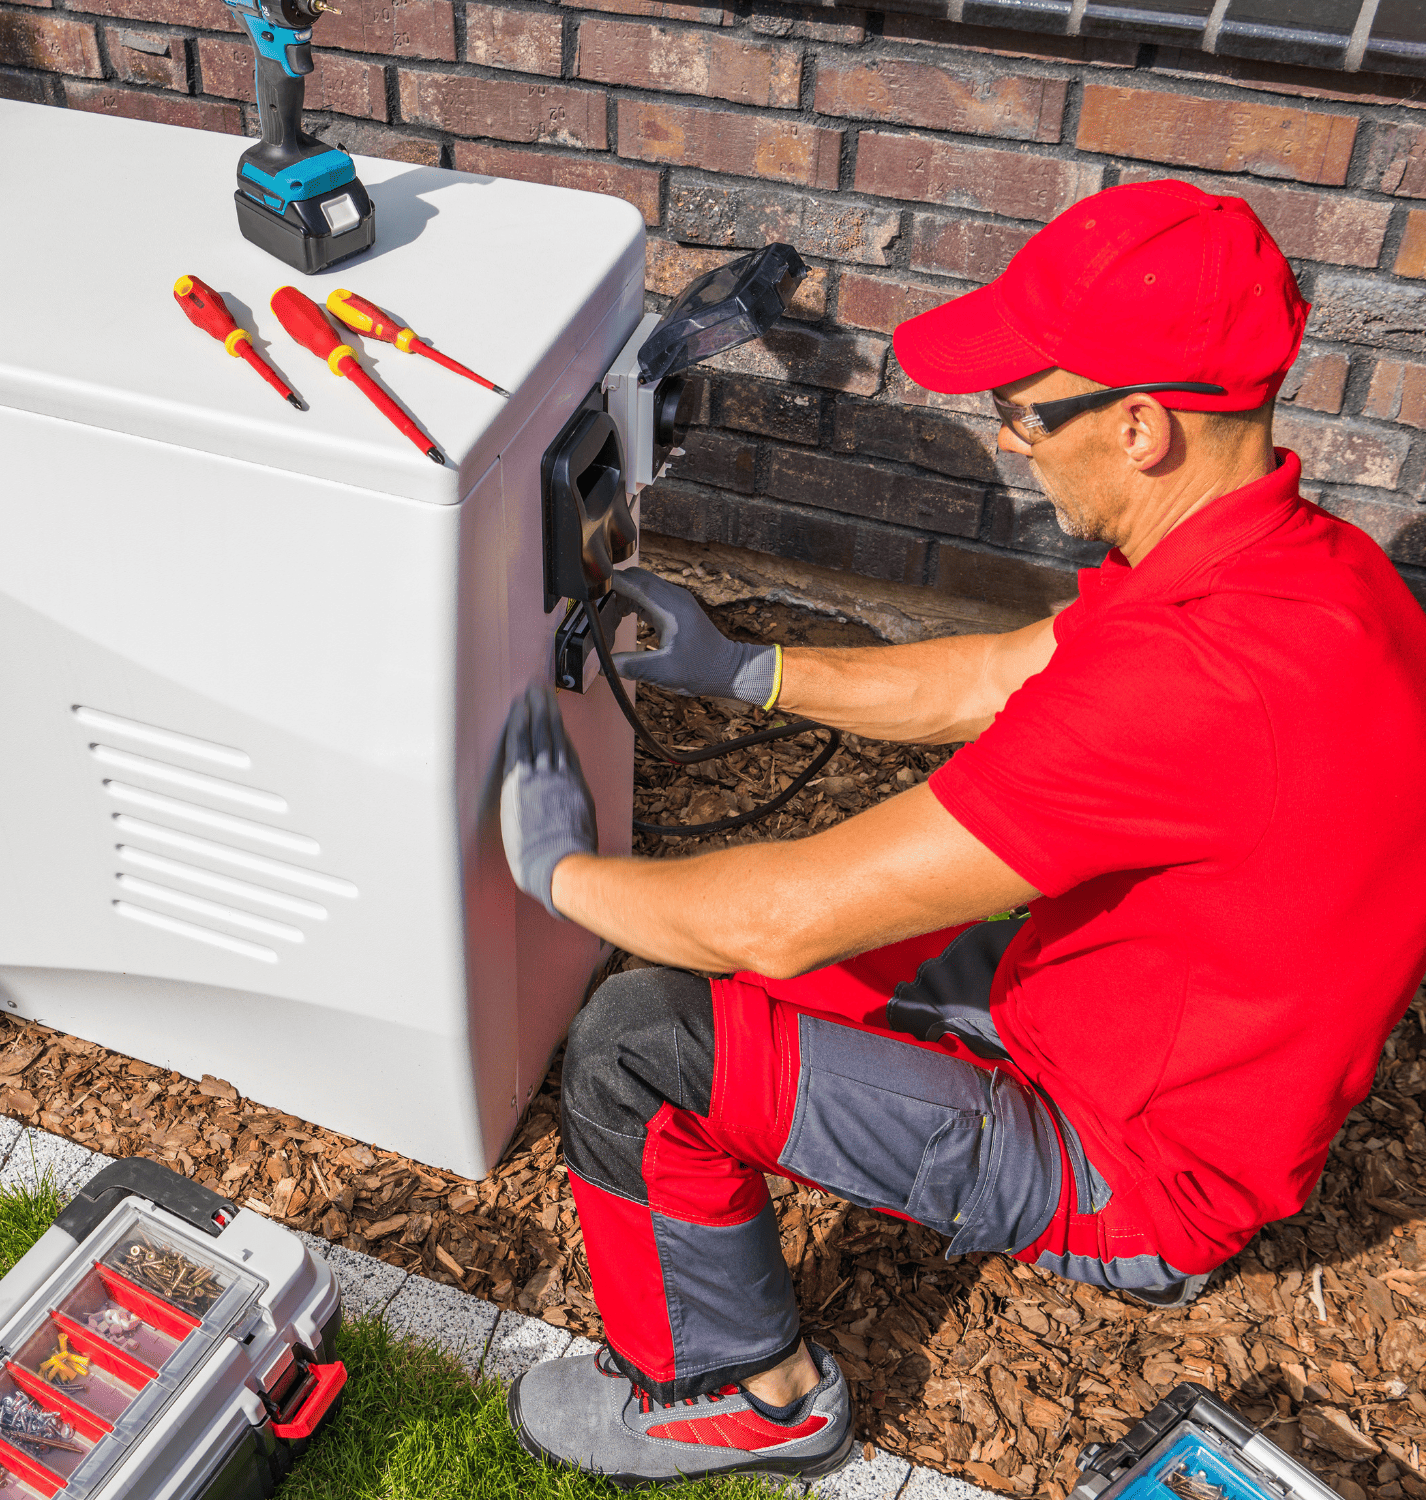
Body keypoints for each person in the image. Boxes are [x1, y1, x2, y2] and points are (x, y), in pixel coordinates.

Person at [495, 179, 1426, 1488]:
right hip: (1149, 1037)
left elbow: (779, 917)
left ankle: (743, 1397)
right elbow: (1000, 673)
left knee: (638, 1046)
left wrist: (556, 873)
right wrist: (751, 670)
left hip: (1132, 1165)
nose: (1013, 441)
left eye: (1028, 411)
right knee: (778, 979)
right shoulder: (1306, 569)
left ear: (1143, 426)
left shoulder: (1196, 682)